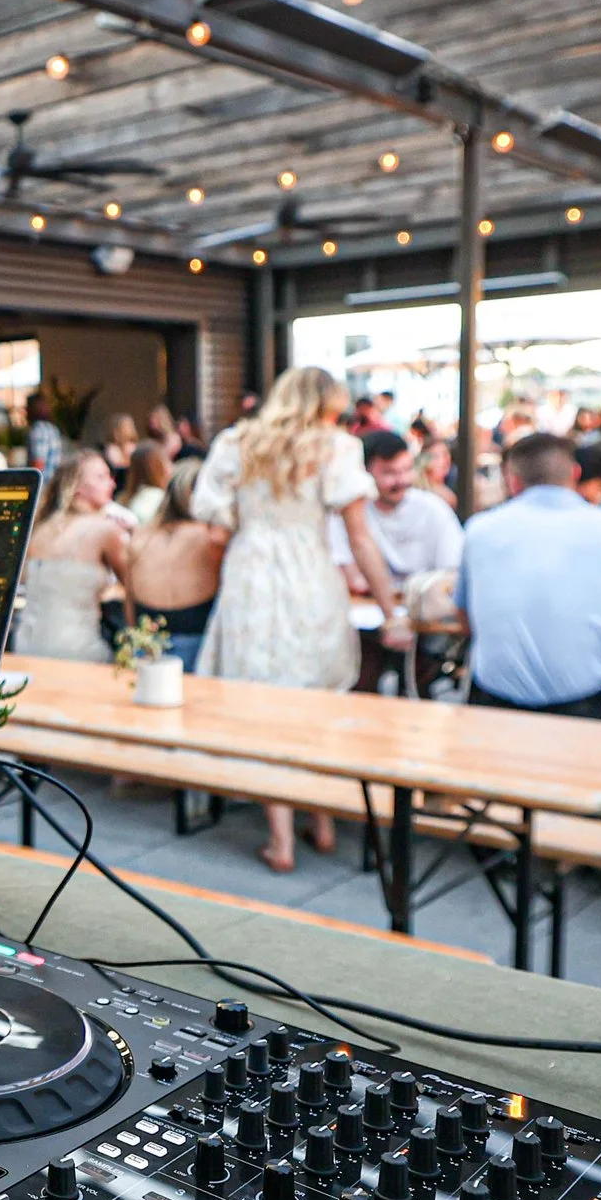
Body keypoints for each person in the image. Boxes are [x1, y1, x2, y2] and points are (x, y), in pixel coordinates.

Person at [193, 366, 406, 872]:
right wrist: (391, 609)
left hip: (251, 576)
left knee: (263, 705)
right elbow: (359, 538)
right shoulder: (337, 447)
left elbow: (213, 528)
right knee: (314, 700)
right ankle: (323, 821)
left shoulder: (236, 441)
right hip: (309, 574)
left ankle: (281, 840)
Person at [454, 431, 601, 843]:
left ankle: (502, 842)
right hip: (587, 710)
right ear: (576, 474)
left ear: (512, 480)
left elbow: (466, 623)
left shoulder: (480, 529)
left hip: (494, 707)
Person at [330, 428, 464, 695]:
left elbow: (450, 575)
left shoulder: (433, 509)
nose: (401, 480)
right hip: (366, 623)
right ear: (365, 474)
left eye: (406, 470)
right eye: (390, 473)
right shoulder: (349, 514)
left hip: (424, 623)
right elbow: (350, 577)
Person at [13, 449, 128, 662]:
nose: (111, 483)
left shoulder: (39, 528)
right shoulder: (105, 530)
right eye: (101, 477)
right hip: (79, 651)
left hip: (26, 645)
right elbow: (133, 585)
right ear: (76, 488)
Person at [123, 458, 226, 671]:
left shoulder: (140, 538)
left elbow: (129, 605)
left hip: (147, 644)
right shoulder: (211, 539)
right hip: (197, 644)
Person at [119, 440, 172, 526]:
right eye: (167, 461)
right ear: (159, 468)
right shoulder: (162, 500)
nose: (171, 466)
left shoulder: (125, 499)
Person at [23, 391, 64, 477]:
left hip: (43, 485)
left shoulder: (37, 431)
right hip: (54, 482)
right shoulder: (52, 428)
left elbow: (38, 464)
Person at [100, 413, 139, 491]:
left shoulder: (133, 446)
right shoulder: (112, 449)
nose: (128, 430)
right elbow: (117, 467)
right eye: (125, 427)